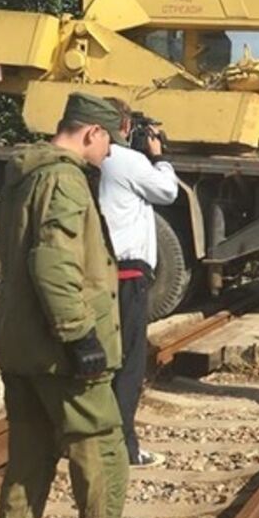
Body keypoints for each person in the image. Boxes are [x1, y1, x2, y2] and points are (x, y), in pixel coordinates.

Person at [0, 93, 168, 518]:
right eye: (107, 140)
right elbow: (53, 261)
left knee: (27, 462)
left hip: (21, 346)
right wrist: (80, 336)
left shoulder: (22, 176)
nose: (107, 152)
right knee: (102, 450)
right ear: (90, 132)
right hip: (59, 352)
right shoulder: (65, 179)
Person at [99, 100, 179, 469]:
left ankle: (91, 438)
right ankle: (124, 447)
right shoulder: (126, 161)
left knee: (100, 361)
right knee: (130, 364)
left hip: (101, 271)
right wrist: (158, 155)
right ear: (125, 125)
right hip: (128, 274)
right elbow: (168, 192)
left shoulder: (94, 162)